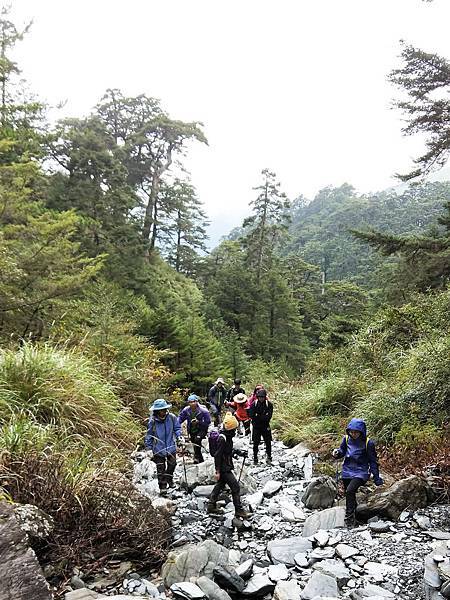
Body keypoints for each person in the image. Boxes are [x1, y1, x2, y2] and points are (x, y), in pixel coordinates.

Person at [332, 418, 384, 527]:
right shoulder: (346, 439)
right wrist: (337, 453)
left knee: (350, 491)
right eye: (351, 431)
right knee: (350, 495)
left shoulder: (368, 443)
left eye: (356, 432)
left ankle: (349, 520)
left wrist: (376, 477)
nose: (353, 434)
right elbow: (342, 451)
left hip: (361, 472)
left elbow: (373, 461)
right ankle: (357, 517)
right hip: (347, 471)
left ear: (361, 431)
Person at [207, 412, 250, 518]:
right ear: (230, 429)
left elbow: (229, 450)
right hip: (223, 467)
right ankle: (238, 510)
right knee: (235, 487)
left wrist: (239, 453)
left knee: (220, 484)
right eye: (234, 429)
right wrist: (217, 471)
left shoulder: (227, 436)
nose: (235, 431)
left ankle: (211, 505)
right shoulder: (223, 438)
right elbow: (218, 455)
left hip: (225, 465)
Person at [144, 398, 183, 496]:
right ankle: (163, 487)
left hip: (170, 446)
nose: (164, 411)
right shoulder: (152, 421)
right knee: (160, 468)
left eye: (165, 409)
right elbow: (149, 435)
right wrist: (148, 448)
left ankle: (169, 479)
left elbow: (177, 428)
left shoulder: (172, 417)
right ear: (157, 411)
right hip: (158, 448)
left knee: (172, 464)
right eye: (161, 410)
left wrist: (179, 436)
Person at [178, 393, 211, 463]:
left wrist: (198, 422)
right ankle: (200, 459)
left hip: (201, 429)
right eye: (190, 402)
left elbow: (208, 422)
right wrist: (176, 427)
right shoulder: (186, 410)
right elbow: (180, 419)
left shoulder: (203, 411)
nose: (192, 404)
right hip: (191, 430)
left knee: (197, 440)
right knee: (194, 443)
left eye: (194, 402)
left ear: (197, 402)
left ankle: (196, 458)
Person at [248, 388, 273, 465]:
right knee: (256, 442)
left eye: (262, 397)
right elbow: (251, 415)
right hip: (257, 427)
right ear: (257, 397)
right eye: (260, 397)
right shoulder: (253, 405)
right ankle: (255, 457)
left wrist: (258, 416)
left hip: (265, 426)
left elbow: (269, 416)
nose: (261, 398)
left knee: (268, 442)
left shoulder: (269, 405)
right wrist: (262, 416)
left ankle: (269, 456)